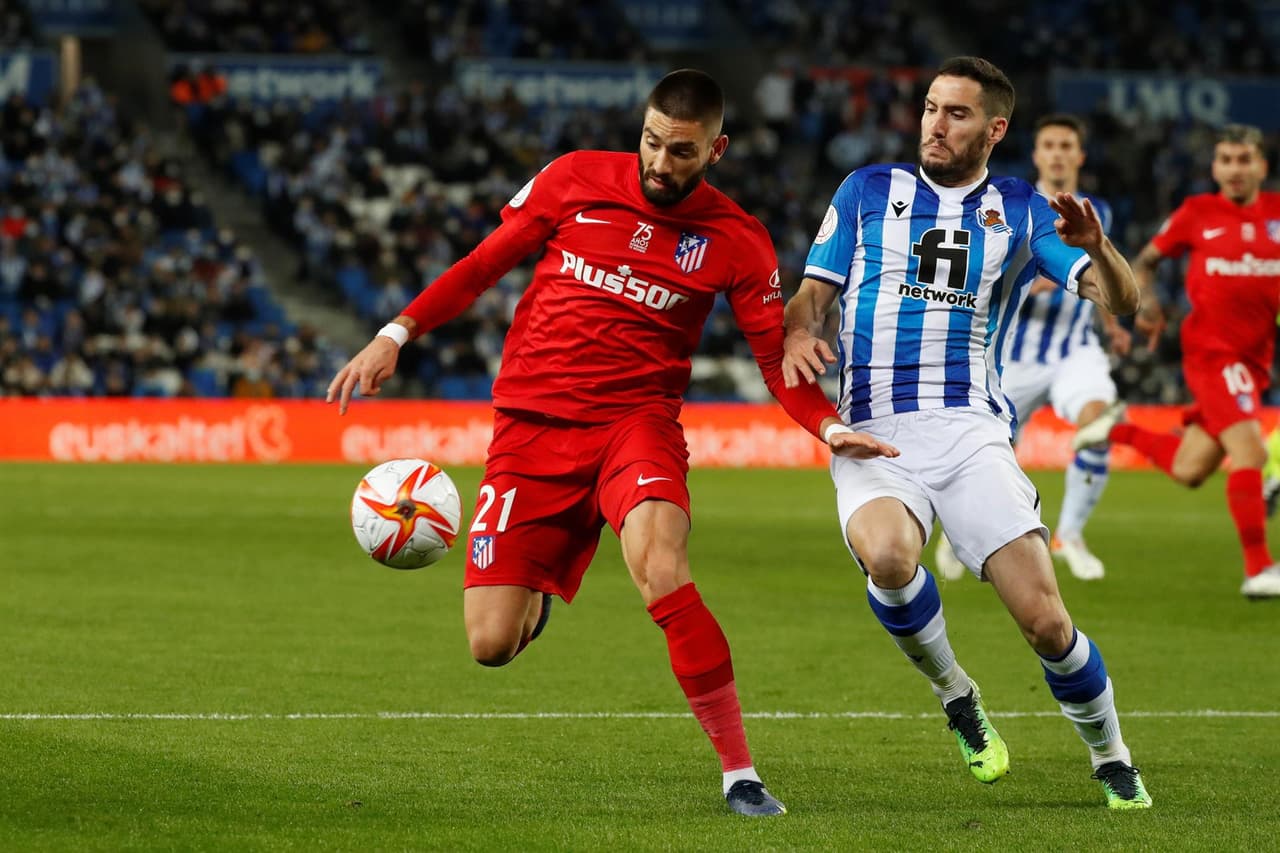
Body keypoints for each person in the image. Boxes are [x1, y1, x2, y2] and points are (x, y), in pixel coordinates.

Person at [326, 69, 896, 817]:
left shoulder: (737, 239)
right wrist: (394, 333)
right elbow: (481, 265)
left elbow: (773, 363)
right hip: (529, 431)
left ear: (716, 150)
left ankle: (740, 773)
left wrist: (826, 425)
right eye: (653, 142)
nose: (661, 162)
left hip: (636, 427)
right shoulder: (574, 179)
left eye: (682, 152)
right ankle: (543, 592)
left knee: (662, 567)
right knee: (491, 643)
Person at [783, 56, 1152, 809]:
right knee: (888, 556)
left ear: (994, 128)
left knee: (1047, 621)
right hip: (871, 426)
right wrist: (798, 334)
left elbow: (1123, 300)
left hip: (970, 430)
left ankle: (1110, 753)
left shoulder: (1018, 208)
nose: (935, 125)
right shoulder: (866, 190)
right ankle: (958, 694)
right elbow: (812, 294)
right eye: (929, 108)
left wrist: (1098, 248)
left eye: (954, 113)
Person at [1075, 124, 1280, 599]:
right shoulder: (1197, 213)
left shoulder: (1276, 214)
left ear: (1261, 166)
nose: (1234, 168)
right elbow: (1145, 260)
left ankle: (1117, 428)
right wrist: (1145, 303)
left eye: (1244, 159)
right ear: (1214, 167)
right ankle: (1259, 569)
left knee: (1191, 469)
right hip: (1212, 352)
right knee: (1250, 452)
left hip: (1256, 359)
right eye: (1225, 159)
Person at [933, 114, 1126, 582]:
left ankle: (1071, 535)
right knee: (979, 456)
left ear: (1079, 156)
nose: (1058, 153)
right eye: (1049, 145)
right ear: (1037, 154)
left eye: (1067, 145)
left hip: (1073, 351)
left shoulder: (1098, 209)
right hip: (1013, 356)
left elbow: (1100, 271)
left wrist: (1110, 321)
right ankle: (953, 532)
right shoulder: (1011, 204)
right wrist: (1035, 276)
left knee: (1098, 422)